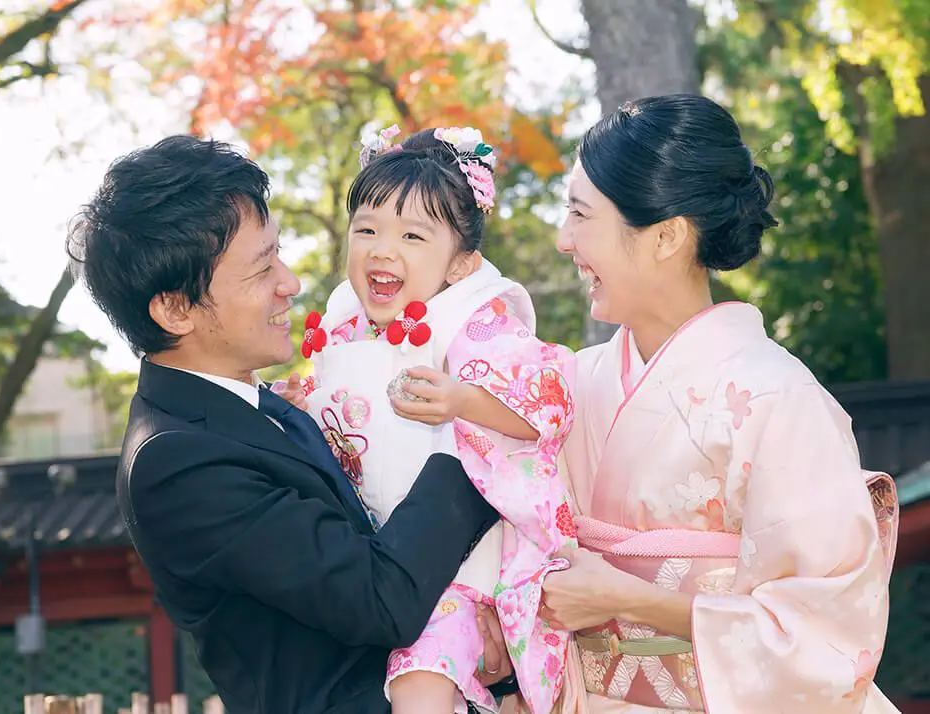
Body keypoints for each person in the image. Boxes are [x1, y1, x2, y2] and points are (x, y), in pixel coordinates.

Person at [65, 134, 516, 714]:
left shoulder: (264, 404)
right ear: (175, 308)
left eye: (277, 253)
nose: (290, 282)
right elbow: (381, 599)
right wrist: (478, 427)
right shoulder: (175, 461)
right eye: (260, 270)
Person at [532, 94, 901, 714]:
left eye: (580, 214)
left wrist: (630, 598)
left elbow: (825, 637)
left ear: (666, 236)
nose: (565, 240)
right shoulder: (569, 383)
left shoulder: (779, 398)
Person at [277, 125, 577, 714]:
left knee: (420, 690)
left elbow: (549, 400)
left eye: (413, 235)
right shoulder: (345, 321)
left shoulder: (473, 318)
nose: (382, 250)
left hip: (462, 557)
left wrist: (464, 400)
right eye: (366, 229)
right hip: (379, 553)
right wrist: (305, 405)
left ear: (462, 262)